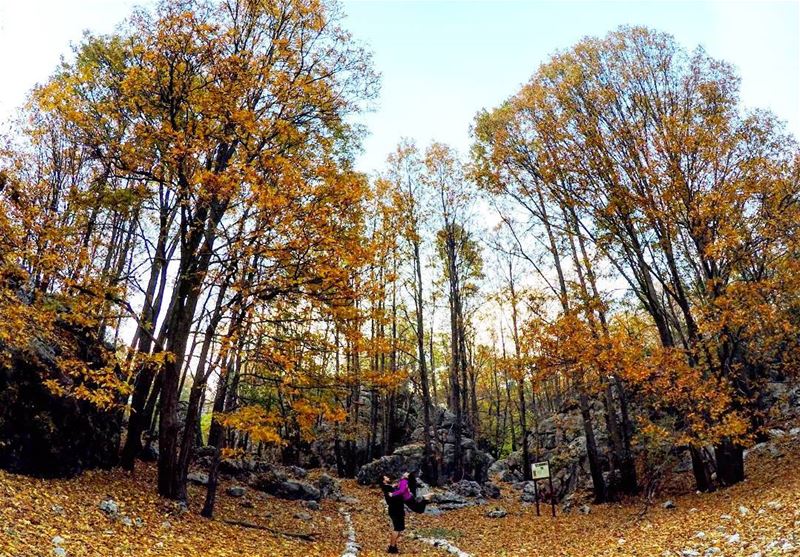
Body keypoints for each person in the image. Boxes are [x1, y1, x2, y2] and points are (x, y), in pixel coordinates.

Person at [381, 475, 405, 554]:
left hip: (397, 509)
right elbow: (394, 495)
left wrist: (394, 486)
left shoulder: (388, 487)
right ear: (383, 480)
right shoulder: (386, 487)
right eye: (386, 477)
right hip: (395, 509)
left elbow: (393, 491)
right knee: (397, 528)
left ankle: (393, 545)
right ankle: (392, 547)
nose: (388, 478)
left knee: (399, 529)